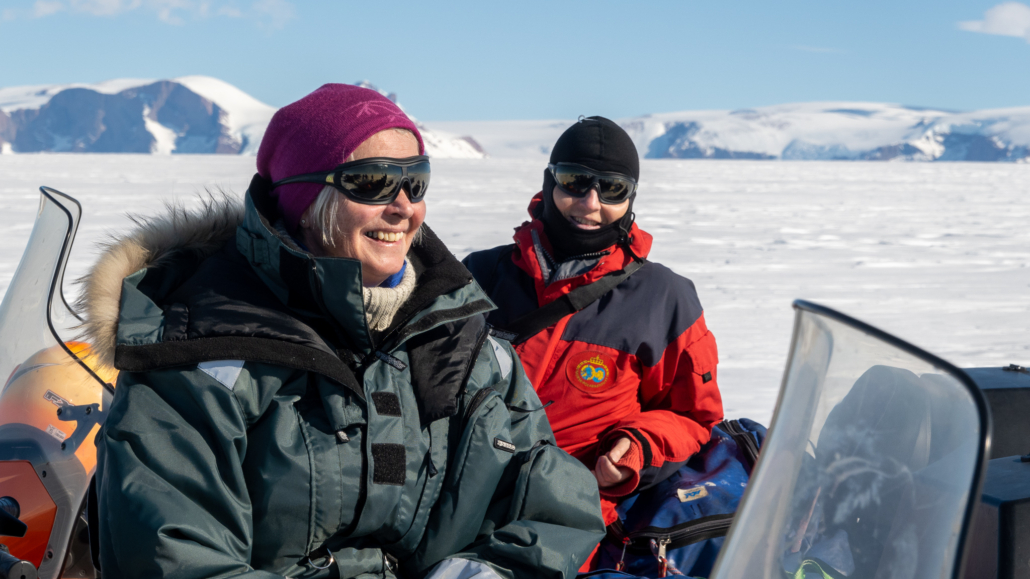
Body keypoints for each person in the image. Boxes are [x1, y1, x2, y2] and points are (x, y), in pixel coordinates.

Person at [83, 85, 604, 579]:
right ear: (303, 202)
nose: (403, 206)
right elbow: (172, 555)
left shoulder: (464, 346)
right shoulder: (200, 354)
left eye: (415, 180)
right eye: (373, 181)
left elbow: (551, 507)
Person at [463, 117, 724, 531]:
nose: (590, 201)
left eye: (612, 188)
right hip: (453, 504)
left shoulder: (662, 298)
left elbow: (694, 418)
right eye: (574, 180)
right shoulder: (481, 274)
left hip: (563, 525)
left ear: (631, 197)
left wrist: (638, 446)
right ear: (550, 182)